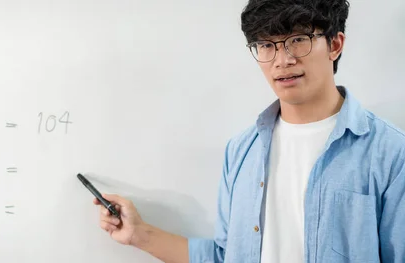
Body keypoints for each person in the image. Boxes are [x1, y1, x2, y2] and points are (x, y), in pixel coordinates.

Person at [91, 0, 405, 262]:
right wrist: (138, 234)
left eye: (298, 40)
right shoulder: (242, 150)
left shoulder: (390, 152)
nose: (282, 60)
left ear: (334, 44)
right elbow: (226, 255)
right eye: (266, 45)